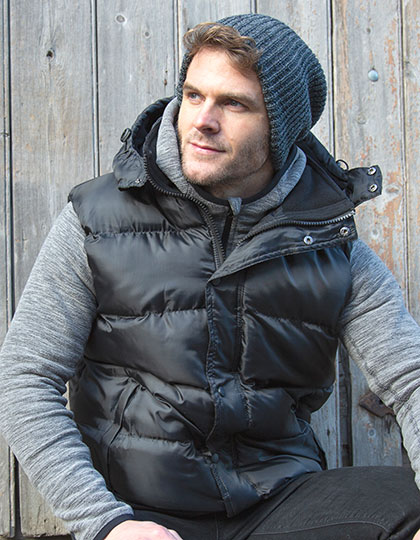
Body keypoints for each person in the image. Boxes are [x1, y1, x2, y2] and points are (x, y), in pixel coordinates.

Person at [1, 12, 420, 540]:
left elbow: (410, 378)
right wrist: (104, 523)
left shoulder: (331, 244)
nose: (201, 119)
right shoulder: (97, 220)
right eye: (194, 95)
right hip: (137, 509)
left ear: (280, 127)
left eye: (234, 103)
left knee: (408, 508)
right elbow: (26, 377)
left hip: (277, 503)